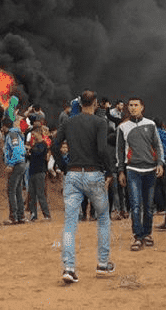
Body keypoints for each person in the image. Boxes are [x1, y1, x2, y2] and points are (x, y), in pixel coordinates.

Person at [53, 90, 116, 284]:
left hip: (73, 174)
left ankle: (69, 268)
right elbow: (102, 149)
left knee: (70, 223)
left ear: (80, 103)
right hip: (93, 173)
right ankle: (102, 264)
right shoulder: (100, 122)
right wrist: (109, 171)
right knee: (103, 218)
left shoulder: (68, 122)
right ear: (95, 103)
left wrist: (64, 166)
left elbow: (55, 145)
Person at [116, 97, 164, 251]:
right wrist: (121, 171)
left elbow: (158, 146)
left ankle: (147, 234)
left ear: (142, 107)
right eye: (130, 105)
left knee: (149, 206)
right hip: (133, 170)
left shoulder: (151, 124)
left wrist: (160, 163)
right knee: (135, 205)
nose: (133, 107)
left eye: (136, 105)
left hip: (150, 170)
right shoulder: (122, 127)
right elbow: (119, 152)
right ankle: (138, 237)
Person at [3, 117, 28, 224]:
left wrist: (11, 164)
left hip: (17, 164)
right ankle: (20, 216)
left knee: (11, 190)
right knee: (18, 190)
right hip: (21, 163)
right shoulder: (16, 134)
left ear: (5, 126)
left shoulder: (12, 134)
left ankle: (13, 216)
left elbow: (17, 150)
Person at [28, 126, 52, 221]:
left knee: (40, 194)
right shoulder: (35, 145)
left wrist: (30, 149)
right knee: (32, 194)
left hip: (40, 171)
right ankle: (33, 214)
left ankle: (46, 214)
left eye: (34, 133)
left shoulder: (43, 144)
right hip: (32, 171)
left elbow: (39, 152)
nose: (33, 136)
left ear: (38, 133)